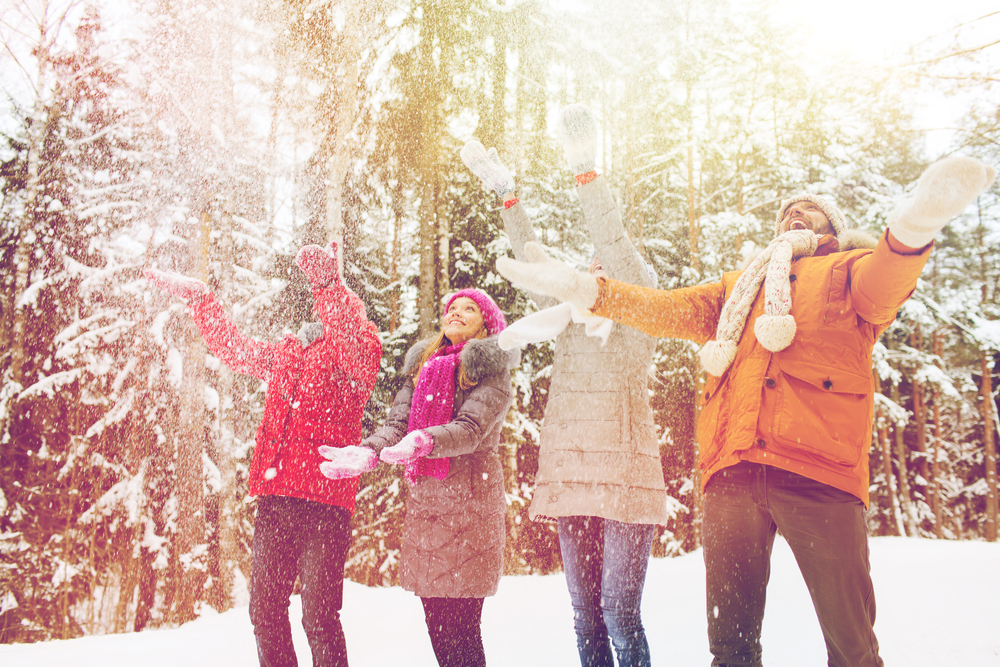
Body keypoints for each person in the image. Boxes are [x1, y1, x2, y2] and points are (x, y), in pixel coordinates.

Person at [494, 138, 996, 667]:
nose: (794, 214)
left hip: (819, 474)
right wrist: (585, 290)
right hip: (732, 475)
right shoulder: (737, 289)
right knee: (730, 647)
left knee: (852, 647)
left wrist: (915, 225)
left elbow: (889, 281)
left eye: (810, 211)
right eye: (787, 211)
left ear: (832, 228)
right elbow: (664, 309)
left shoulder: (851, 270)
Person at [459, 103, 667, 667]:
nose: (599, 266)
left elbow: (615, 237)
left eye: (611, 263)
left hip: (625, 477)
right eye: (593, 262)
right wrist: (508, 196)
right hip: (572, 477)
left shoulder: (639, 315)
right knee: (585, 618)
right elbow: (532, 259)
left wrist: (586, 172)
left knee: (620, 615)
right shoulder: (566, 318)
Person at [144, 241, 381, 667]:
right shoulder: (288, 355)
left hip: (325, 503)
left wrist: (329, 283)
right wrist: (203, 301)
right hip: (277, 500)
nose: (327, 312)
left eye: (341, 306)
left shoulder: (359, 352)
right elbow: (234, 349)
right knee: (264, 613)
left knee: (319, 618)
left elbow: (345, 329)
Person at [317, 288, 518, 667]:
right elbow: (398, 424)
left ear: (486, 324)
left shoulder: (492, 370)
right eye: (452, 307)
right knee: (438, 630)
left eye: (469, 309)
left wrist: (425, 440)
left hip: (471, 510)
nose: (456, 312)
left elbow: (471, 428)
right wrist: (370, 451)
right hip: (428, 507)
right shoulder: (424, 367)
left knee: (462, 634)